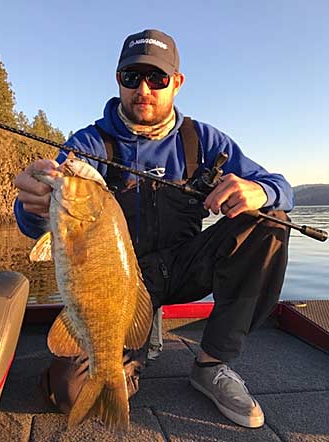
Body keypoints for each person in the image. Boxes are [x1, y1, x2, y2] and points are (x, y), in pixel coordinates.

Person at [14, 29, 293, 429]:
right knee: (70, 393)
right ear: (118, 81)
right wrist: (35, 205)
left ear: (176, 83)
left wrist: (258, 190)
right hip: (114, 286)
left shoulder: (205, 140)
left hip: (184, 268)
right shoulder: (89, 144)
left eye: (157, 78)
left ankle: (212, 364)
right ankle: (127, 359)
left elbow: (281, 189)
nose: (143, 88)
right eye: (132, 77)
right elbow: (33, 223)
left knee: (270, 222)